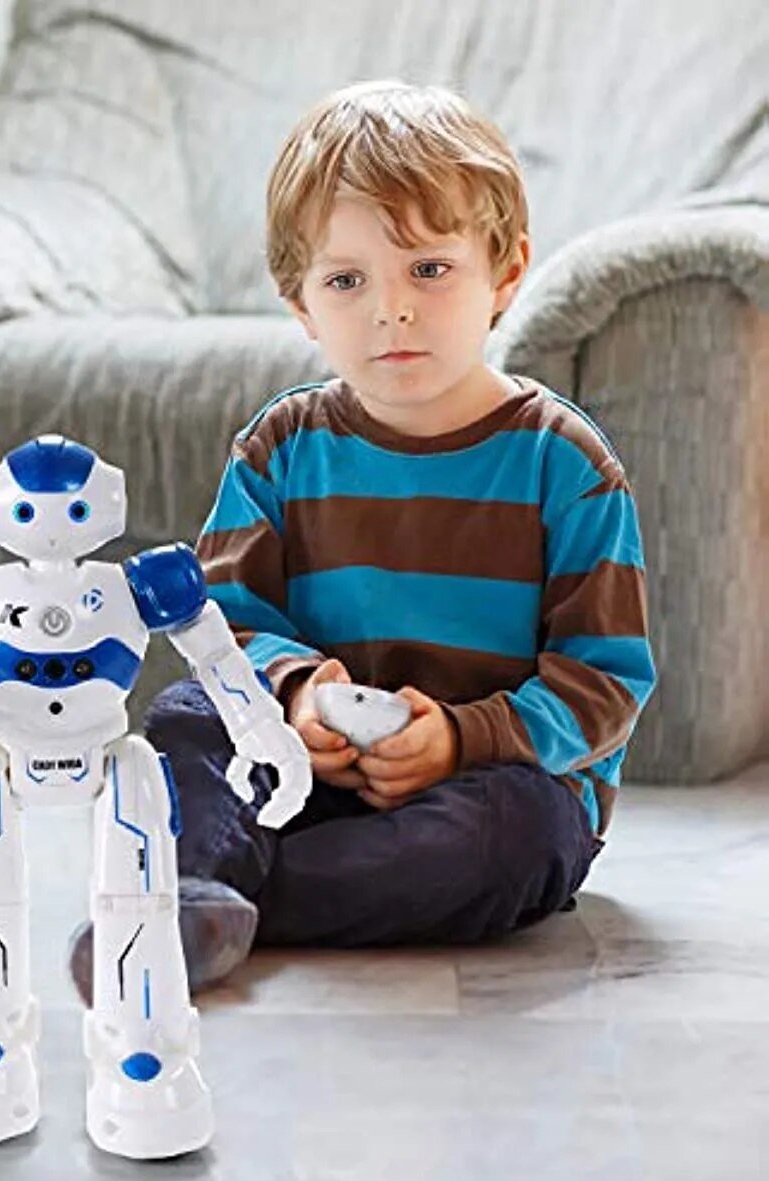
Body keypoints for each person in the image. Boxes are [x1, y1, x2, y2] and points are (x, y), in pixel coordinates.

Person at [67, 80, 657, 1004]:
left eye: (429, 269)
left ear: (504, 273)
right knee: (187, 713)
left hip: (492, 785)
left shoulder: (566, 464)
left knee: (516, 835)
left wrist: (463, 740)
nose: (392, 311)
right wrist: (296, 698)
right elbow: (224, 624)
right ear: (301, 304)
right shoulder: (279, 449)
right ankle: (200, 887)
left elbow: (606, 683)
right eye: (348, 281)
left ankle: (212, 900)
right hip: (309, 766)